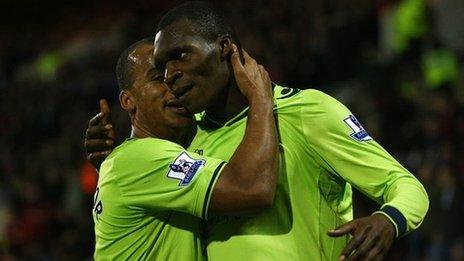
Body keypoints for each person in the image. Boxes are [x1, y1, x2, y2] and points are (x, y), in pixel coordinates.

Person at [86, 2, 429, 260]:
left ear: (223, 48)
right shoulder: (188, 141)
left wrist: (390, 218)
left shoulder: (306, 111)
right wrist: (110, 157)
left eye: (181, 56)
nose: (170, 75)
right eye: (161, 68)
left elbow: (406, 186)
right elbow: (140, 172)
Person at [91, 37, 279, 260]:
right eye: (158, 77)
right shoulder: (138, 158)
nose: (171, 83)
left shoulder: (137, 159)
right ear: (128, 101)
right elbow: (252, 189)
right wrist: (260, 98)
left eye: (174, 74)